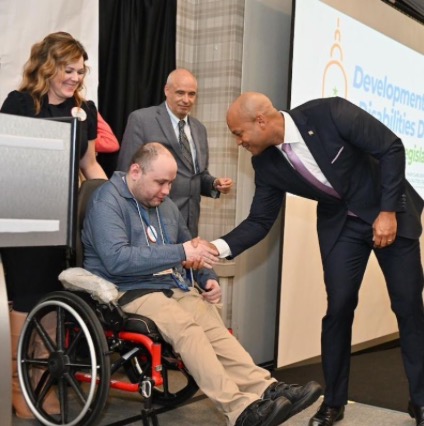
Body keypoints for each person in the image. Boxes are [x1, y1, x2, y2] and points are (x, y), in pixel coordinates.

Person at [203, 92, 424, 426]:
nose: (238, 142)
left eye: (239, 133)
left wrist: (388, 211)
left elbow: (390, 146)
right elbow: (260, 221)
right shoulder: (265, 163)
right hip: (342, 226)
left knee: (408, 307)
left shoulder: (329, 113)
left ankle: (421, 401)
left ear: (260, 121)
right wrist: (215, 248)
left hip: (387, 210)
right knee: (338, 308)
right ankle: (334, 402)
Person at [82, 142, 322, 426]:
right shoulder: (106, 201)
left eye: (170, 183)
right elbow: (117, 260)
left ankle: (264, 387)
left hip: (168, 284)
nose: (167, 191)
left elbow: (191, 246)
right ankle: (238, 410)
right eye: (160, 182)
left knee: (213, 326)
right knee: (187, 329)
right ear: (135, 171)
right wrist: (182, 252)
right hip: (126, 288)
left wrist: (207, 279)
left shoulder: (163, 204)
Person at [0, 31, 108, 419]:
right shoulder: (20, 103)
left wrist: (112, 202)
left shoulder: (86, 110)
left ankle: (41, 378)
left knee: (55, 301)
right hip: (26, 219)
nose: (76, 77)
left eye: (80, 71)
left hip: (66, 224)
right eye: (69, 69)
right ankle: (17, 383)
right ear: (48, 66)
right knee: (28, 298)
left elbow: (90, 165)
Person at [117, 68, 233, 237]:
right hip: (152, 219)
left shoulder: (200, 129)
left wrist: (214, 184)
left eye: (192, 94)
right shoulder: (142, 120)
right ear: (166, 90)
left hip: (189, 223)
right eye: (180, 93)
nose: (186, 100)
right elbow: (127, 173)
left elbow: (196, 175)